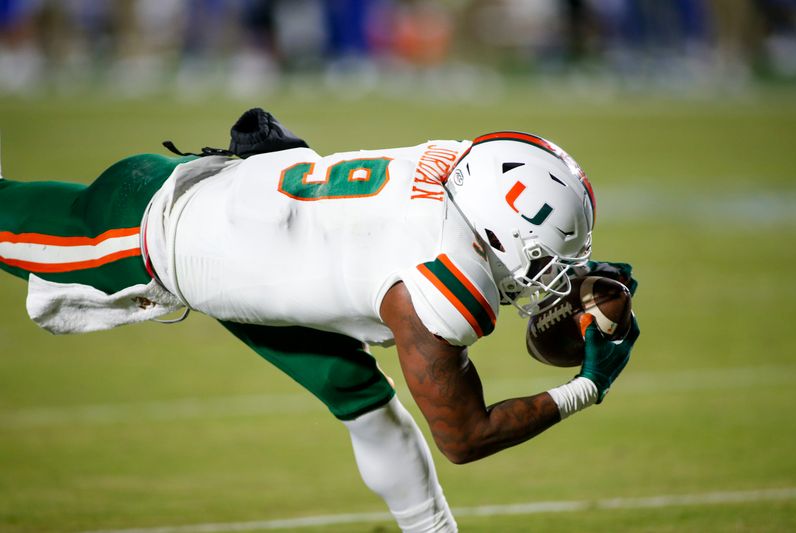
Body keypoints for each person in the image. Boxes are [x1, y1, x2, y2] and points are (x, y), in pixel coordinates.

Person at [0, 109, 640, 532]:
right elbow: (464, 438)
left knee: (362, 397)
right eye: (547, 262)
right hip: (146, 226)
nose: (550, 277)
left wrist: (571, 283)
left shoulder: (460, 165)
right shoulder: (439, 280)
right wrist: (587, 387)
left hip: (246, 233)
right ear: (499, 235)